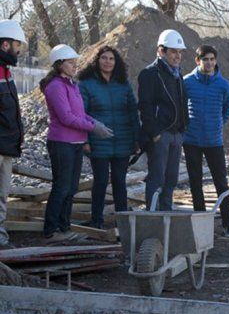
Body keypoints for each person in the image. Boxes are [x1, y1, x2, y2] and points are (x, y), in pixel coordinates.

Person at [40, 44, 114, 243]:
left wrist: (93, 122)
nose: (75, 65)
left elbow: (79, 114)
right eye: (71, 62)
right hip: (61, 142)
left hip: (75, 143)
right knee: (61, 187)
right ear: (59, 64)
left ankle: (64, 227)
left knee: (71, 187)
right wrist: (92, 128)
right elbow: (66, 118)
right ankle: (51, 230)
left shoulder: (71, 84)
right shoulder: (55, 86)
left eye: (75, 62)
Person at [77, 46, 140, 228]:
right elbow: (82, 114)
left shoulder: (123, 84)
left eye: (111, 58)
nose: (107, 62)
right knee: (101, 181)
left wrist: (137, 138)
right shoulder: (86, 84)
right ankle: (97, 220)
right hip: (98, 142)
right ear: (97, 61)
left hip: (123, 141)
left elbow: (132, 113)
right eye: (103, 58)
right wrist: (85, 140)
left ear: (116, 62)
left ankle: (123, 220)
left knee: (120, 181)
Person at [183, 45, 229, 237]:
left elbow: (228, 108)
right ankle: (201, 225)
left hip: (214, 141)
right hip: (191, 141)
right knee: (195, 183)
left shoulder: (224, 85)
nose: (210, 63)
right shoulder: (187, 82)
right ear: (197, 61)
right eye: (205, 59)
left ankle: (228, 224)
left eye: (212, 59)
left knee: (221, 182)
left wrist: (218, 123)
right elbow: (181, 107)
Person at [138, 29, 189, 210]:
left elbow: (182, 103)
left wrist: (183, 129)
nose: (178, 56)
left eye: (179, 52)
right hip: (161, 134)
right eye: (173, 51)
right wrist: (154, 133)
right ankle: (152, 217)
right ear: (161, 51)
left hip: (176, 134)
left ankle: (166, 214)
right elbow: (145, 106)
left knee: (171, 179)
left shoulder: (177, 74)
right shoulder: (150, 74)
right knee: (157, 178)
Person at [0, 20, 27, 249]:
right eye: (18, 45)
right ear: (6, 44)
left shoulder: (6, 72)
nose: (20, 50)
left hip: (6, 146)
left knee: (2, 194)